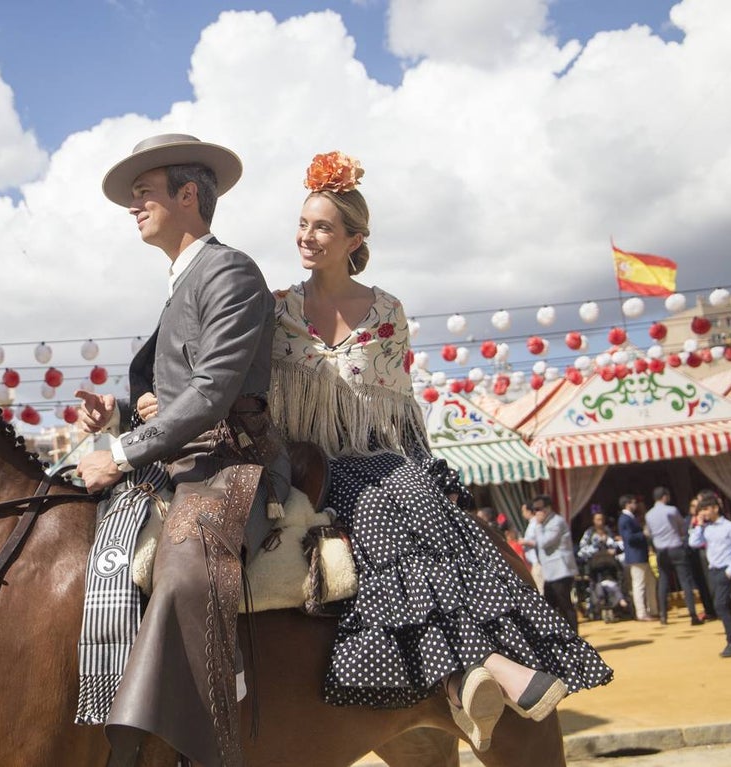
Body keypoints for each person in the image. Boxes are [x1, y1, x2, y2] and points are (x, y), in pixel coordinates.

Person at [263, 151, 611, 752]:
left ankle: (479, 669)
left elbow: (398, 412)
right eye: (302, 224)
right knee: (380, 506)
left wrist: (423, 476)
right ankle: (483, 670)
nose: (307, 236)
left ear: (355, 239)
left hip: (374, 454)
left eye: (322, 226)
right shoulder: (276, 309)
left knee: (428, 509)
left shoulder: (387, 312)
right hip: (304, 464)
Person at [74, 134, 290, 767]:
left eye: (145, 193)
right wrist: (116, 413)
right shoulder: (186, 279)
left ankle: (213, 737)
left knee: (185, 576)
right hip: (182, 460)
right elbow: (176, 394)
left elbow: (212, 391)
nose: (134, 206)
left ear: (188, 195)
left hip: (232, 464)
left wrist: (121, 450)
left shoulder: (229, 271)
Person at [689, 491, 731, 657]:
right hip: (713, 570)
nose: (704, 513)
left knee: (720, 605)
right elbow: (693, 543)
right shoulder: (706, 529)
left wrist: (729, 571)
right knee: (727, 606)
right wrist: (699, 525)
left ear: (715, 508)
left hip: (726, 570)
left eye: (706, 509)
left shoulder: (730, 527)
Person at [645, 486, 703, 626]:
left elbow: (649, 533)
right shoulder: (671, 510)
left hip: (661, 551)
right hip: (675, 547)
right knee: (685, 581)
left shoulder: (649, 515)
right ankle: (692, 615)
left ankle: (664, 616)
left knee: (663, 583)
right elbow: (682, 528)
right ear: (665, 496)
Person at [522, 496, 580, 633]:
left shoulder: (556, 522)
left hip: (561, 571)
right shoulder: (546, 523)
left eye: (538, 509)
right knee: (549, 606)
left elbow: (544, 542)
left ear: (548, 508)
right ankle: (560, 634)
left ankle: (574, 636)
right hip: (550, 573)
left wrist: (538, 525)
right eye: (534, 509)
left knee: (565, 605)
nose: (536, 512)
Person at [617, 494, 657, 622]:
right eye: (633, 502)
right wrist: (643, 534)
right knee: (639, 584)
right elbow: (629, 538)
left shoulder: (628, 518)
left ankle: (652, 609)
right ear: (628, 504)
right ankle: (641, 613)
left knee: (650, 582)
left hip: (639, 555)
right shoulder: (625, 519)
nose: (636, 505)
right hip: (636, 555)